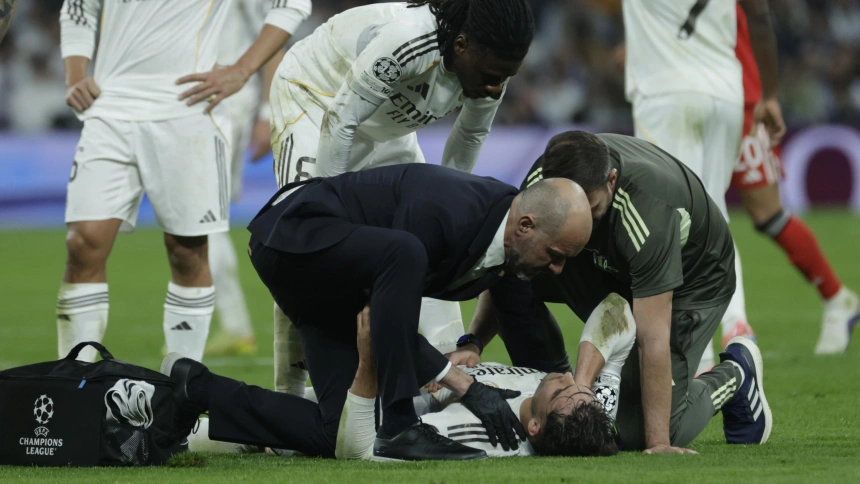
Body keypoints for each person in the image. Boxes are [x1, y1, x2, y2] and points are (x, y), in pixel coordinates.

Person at [161, 163, 593, 461]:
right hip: (293, 232)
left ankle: (194, 386)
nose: (557, 269)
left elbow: (532, 342)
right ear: (526, 225)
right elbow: (385, 312)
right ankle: (401, 425)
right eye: (555, 255)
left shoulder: (512, 255)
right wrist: (462, 384)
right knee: (406, 252)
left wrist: (578, 417)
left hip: (331, 289)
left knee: (342, 430)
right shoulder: (447, 211)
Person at [265, 0, 536, 396]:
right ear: (460, 46)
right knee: (305, 248)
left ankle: (445, 378)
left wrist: (455, 216)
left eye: (506, 78)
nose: (495, 88)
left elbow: (470, 135)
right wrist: (328, 222)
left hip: (385, 127)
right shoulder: (407, 39)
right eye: (492, 76)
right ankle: (287, 396)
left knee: (438, 237)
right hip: (316, 100)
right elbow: (341, 120)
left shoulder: (490, 59)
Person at [459, 131, 772, 453]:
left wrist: (658, 443)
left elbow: (653, 336)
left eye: (590, 209)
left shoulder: (646, 211)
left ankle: (736, 375)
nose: (581, 220)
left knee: (643, 431)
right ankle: (555, 392)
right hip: (602, 261)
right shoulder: (544, 185)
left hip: (691, 279)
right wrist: (472, 342)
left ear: (611, 180)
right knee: (522, 261)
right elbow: (509, 263)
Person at [57, 0, 308, 362]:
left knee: (186, 250)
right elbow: (78, 7)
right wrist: (75, 74)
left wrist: (242, 70)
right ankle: (72, 381)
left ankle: (180, 388)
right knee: (83, 243)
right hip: (110, 107)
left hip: (190, 109)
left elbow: (292, 4)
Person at [620, 0, 782, 371]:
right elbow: (758, 14)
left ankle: (702, 354)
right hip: (725, 93)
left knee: (670, 223)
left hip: (664, 93)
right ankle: (738, 326)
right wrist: (770, 94)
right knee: (714, 211)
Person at [726, 4, 859, 355]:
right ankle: (712, 334)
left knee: (768, 215)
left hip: (741, 103)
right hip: (687, 101)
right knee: (691, 214)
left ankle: (836, 297)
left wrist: (768, 96)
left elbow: (758, 16)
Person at [204, 0, 307, 357]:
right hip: (210, 97)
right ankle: (233, 325)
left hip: (222, 99)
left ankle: (235, 326)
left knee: (203, 216)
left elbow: (274, 36)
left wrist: (267, 111)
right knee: (206, 216)